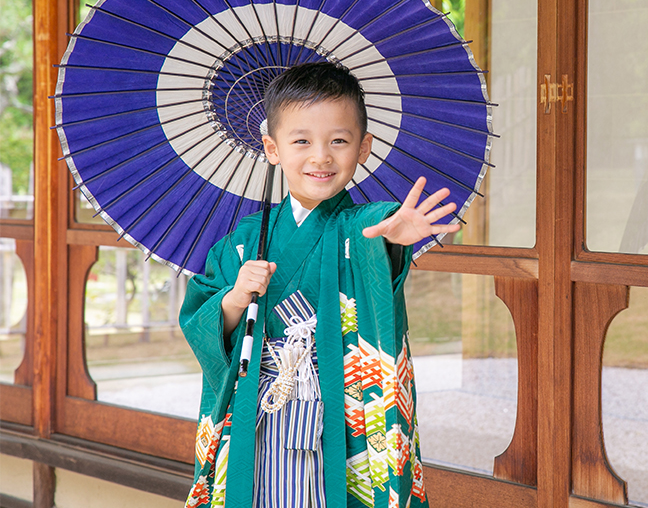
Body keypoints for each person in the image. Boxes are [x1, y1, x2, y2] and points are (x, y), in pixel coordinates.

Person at [180, 62, 460, 508]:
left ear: (364, 147)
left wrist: (393, 232)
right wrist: (235, 297)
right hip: (260, 405)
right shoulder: (242, 242)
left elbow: (376, 229)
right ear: (272, 148)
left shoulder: (359, 227)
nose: (321, 157)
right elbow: (203, 323)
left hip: (340, 406)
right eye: (301, 141)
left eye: (339, 141)